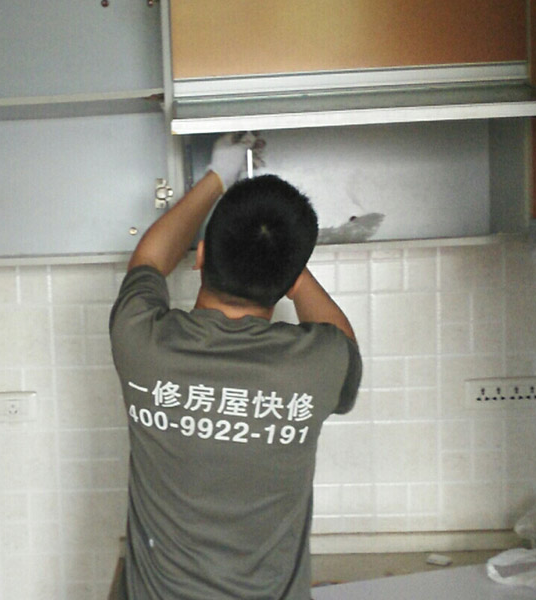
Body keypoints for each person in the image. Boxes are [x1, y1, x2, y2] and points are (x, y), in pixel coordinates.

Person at [108, 133, 362, 599]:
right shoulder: (319, 365)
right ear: (291, 279)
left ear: (202, 256)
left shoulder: (142, 342)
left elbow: (149, 259)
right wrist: (284, 261)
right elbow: (341, 337)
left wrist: (217, 177)